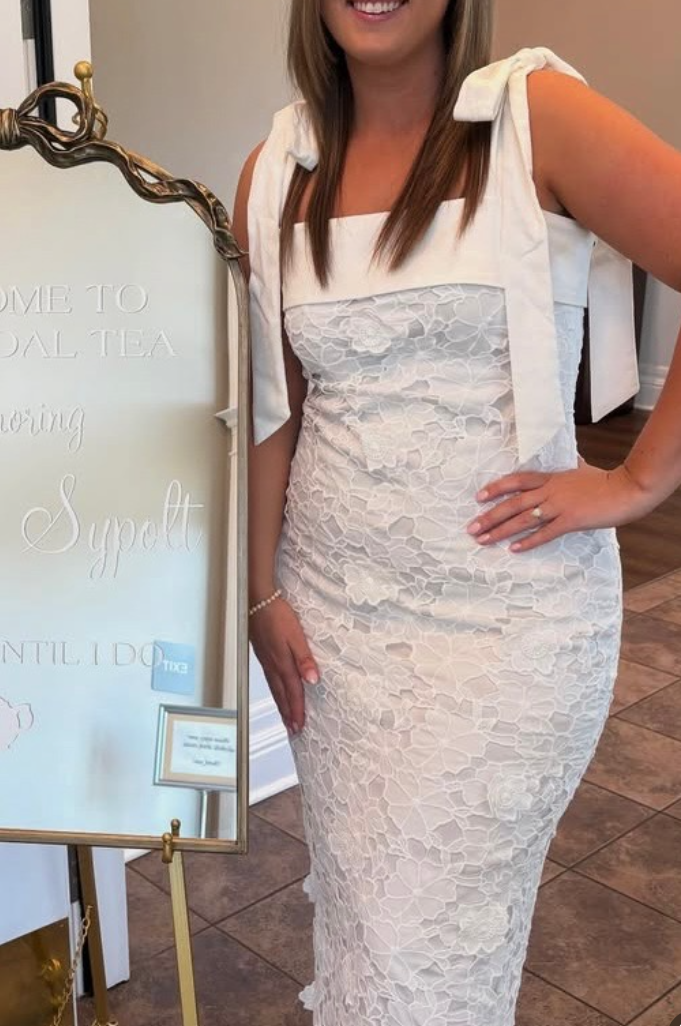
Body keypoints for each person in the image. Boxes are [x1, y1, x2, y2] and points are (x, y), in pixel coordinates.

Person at [231, 0, 681, 1022]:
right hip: (339, 632)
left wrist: (635, 484)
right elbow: (274, 410)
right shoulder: (276, 171)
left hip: (507, 634)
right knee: (364, 925)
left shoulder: (536, 116)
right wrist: (260, 591)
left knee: (416, 960)